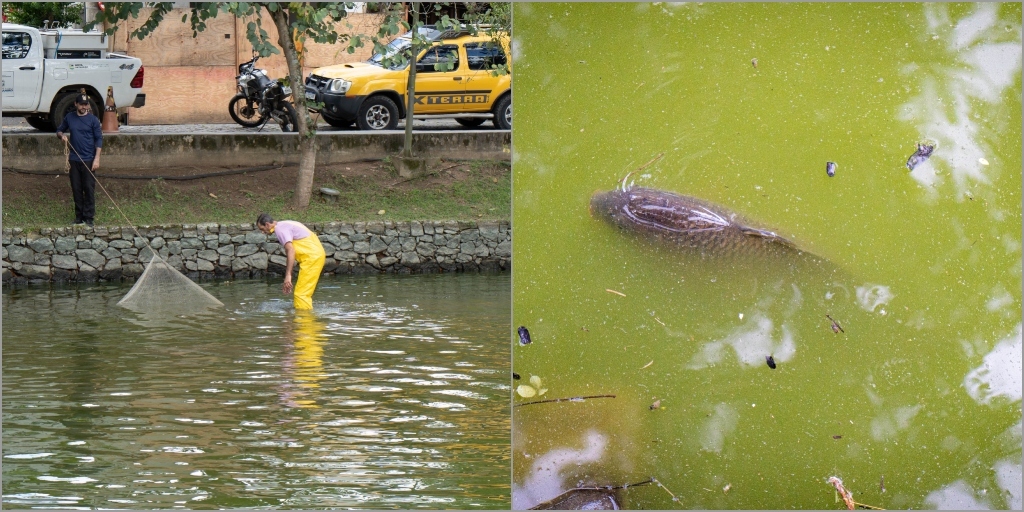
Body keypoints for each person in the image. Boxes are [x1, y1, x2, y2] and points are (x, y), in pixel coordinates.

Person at [256, 213, 326, 310]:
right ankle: (303, 318)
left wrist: (288, 275)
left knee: (301, 295)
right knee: (303, 293)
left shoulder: (280, 230)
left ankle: (304, 321)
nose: (262, 232)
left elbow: (290, 250)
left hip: (312, 258)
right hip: (316, 255)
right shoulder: (284, 224)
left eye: (262, 229)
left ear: (267, 224)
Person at [55, 92, 103, 227]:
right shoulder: (70, 117)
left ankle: (89, 217)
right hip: (74, 159)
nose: (84, 106)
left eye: (86, 104)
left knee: (88, 188)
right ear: (76, 104)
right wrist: (62, 136)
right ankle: (79, 216)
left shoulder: (93, 120)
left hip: (89, 159)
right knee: (76, 188)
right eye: (81, 104)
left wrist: (97, 159)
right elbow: (59, 130)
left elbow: (99, 139)